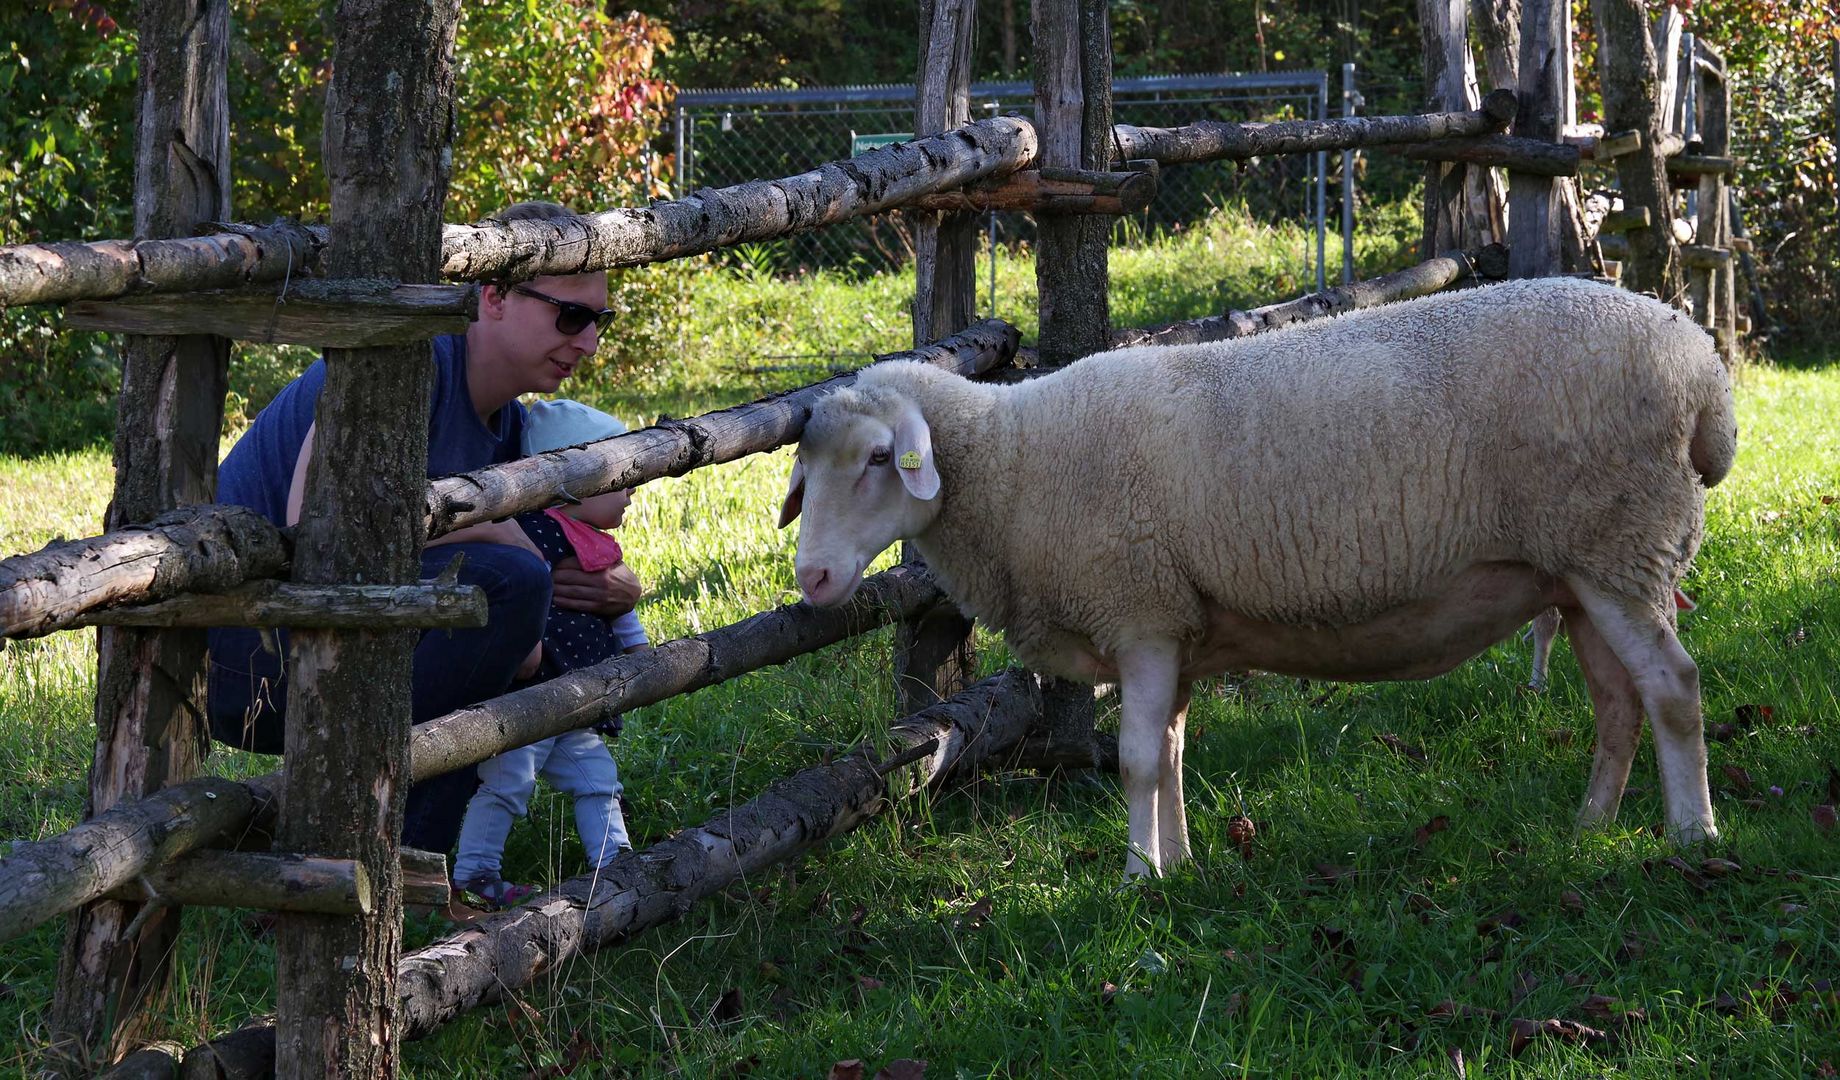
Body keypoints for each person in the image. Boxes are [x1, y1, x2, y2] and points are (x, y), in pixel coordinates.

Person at [206, 201, 643, 855]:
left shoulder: (512, 426)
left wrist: (618, 587)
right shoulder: (403, 364)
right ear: (493, 293)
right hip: (253, 668)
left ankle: (409, 856)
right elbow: (311, 527)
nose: (589, 341)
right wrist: (496, 537)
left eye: (599, 321)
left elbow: (555, 570)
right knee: (507, 583)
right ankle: (364, 855)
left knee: (512, 591)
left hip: (338, 653)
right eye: (570, 315)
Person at [451, 400, 649, 908]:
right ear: (570, 485)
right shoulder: (532, 531)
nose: (632, 489)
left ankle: (615, 861)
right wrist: (523, 642)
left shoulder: (598, 544)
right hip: (525, 696)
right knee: (507, 784)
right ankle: (475, 875)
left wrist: (641, 652)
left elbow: (618, 609)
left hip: (575, 699)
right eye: (619, 477)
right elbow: (516, 591)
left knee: (599, 779)